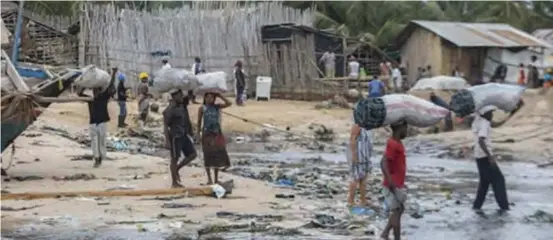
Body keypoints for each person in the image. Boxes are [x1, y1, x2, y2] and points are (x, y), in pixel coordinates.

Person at [471, 105, 510, 213]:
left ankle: (476, 207)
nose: (492, 115)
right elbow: (481, 140)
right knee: (499, 181)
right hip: (485, 157)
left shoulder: (476, 121)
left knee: (484, 183)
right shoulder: (485, 123)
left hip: (478, 156)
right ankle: (504, 208)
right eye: (490, 113)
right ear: (485, 113)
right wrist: (490, 156)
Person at [78, 67, 117, 168]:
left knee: (102, 141)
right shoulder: (90, 99)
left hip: (102, 121)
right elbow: (79, 93)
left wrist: (114, 73)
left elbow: (111, 87)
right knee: (94, 142)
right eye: (94, 90)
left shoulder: (104, 97)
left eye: (96, 90)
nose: (95, 92)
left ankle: (101, 157)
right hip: (93, 122)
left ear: (99, 90)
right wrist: (83, 84)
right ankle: (97, 158)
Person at [380, 121, 408, 240]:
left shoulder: (398, 143)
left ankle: (385, 232)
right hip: (392, 184)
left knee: (399, 209)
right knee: (396, 211)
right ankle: (397, 238)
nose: (407, 131)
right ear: (399, 128)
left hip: (397, 183)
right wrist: (390, 180)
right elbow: (383, 162)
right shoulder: (392, 143)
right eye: (406, 128)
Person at [163, 89, 197, 188]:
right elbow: (165, 126)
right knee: (174, 159)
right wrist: (167, 141)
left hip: (184, 135)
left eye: (182, 95)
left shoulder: (182, 105)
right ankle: (174, 182)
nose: (181, 97)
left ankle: (177, 168)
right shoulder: (169, 110)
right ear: (174, 97)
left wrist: (191, 133)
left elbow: (189, 95)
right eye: (179, 96)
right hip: (175, 137)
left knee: (193, 154)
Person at [197, 92, 232, 184]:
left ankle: (216, 179)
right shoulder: (202, 108)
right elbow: (199, 122)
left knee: (217, 155)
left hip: (216, 134)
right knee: (208, 156)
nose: (209, 99)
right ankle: (209, 179)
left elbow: (229, 103)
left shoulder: (217, 107)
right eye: (207, 97)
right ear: (205, 99)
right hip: (206, 134)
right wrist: (197, 134)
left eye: (211, 97)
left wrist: (220, 96)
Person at [347, 121, 373, 208]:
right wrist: (354, 155)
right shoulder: (357, 125)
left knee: (364, 178)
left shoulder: (368, 125)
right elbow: (352, 139)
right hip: (358, 156)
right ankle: (350, 200)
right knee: (355, 178)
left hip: (365, 157)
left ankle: (363, 200)